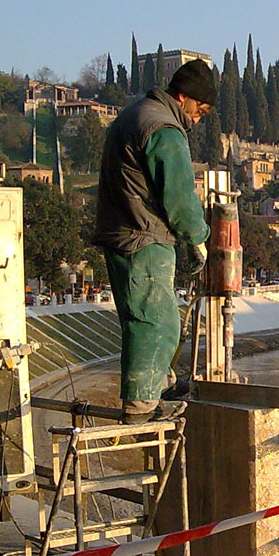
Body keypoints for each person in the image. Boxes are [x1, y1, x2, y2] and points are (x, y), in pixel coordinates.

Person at [92, 59, 216, 424]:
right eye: (199, 110)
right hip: (142, 237)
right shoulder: (163, 127)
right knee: (156, 323)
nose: (197, 119)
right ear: (183, 97)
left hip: (122, 233)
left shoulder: (135, 114)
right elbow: (179, 194)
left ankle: (151, 394)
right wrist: (198, 237)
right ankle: (142, 408)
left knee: (144, 320)